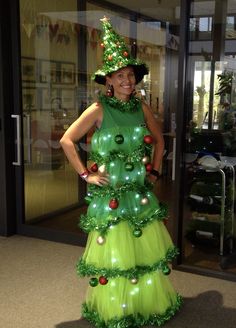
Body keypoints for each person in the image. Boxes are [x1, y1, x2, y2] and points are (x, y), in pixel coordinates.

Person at [60, 16, 182, 327]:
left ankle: (144, 303)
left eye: (130, 75)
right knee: (115, 251)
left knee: (141, 248)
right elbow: (67, 140)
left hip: (139, 193)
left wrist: (154, 173)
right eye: (120, 76)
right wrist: (86, 175)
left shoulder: (141, 108)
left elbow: (158, 141)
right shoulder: (99, 110)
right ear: (109, 81)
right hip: (110, 194)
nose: (128, 80)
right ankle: (118, 309)